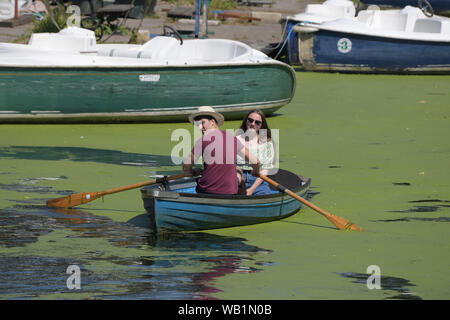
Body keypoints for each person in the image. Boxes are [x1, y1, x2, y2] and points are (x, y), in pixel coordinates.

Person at [183, 106, 260, 195]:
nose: (200, 127)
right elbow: (255, 161)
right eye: (197, 125)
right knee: (238, 170)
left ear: (212, 122)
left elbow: (186, 168)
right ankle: (242, 199)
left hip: (206, 191)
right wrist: (256, 171)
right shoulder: (231, 138)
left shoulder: (201, 141)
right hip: (230, 192)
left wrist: (193, 172)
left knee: (237, 169)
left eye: (202, 123)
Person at [236, 109, 276, 196]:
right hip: (237, 177)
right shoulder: (236, 139)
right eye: (250, 120)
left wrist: (251, 190)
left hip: (257, 180)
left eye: (257, 122)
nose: (253, 124)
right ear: (246, 121)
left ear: (261, 125)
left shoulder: (267, 143)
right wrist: (241, 186)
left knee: (265, 196)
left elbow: (265, 170)